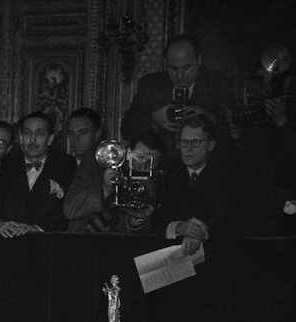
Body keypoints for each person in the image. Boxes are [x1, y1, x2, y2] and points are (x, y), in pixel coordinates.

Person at [120, 34, 230, 146]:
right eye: (173, 68)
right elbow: (126, 129)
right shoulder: (151, 85)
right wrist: (153, 118)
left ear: (199, 60)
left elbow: (234, 132)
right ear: (166, 63)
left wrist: (207, 118)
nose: (180, 75)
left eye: (186, 68)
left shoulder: (218, 84)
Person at [153, 115, 241, 255]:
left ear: (210, 145)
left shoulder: (226, 176)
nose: (188, 148)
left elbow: (226, 219)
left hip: (215, 256)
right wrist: (178, 227)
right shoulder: (168, 172)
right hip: (167, 257)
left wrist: (199, 231)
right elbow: (154, 220)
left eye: (195, 142)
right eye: (184, 142)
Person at [0, 111, 77, 237]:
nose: (32, 140)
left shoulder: (67, 167)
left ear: (50, 139)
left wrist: (37, 229)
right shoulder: (5, 166)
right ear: (20, 137)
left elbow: (69, 213)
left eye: (40, 134)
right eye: (27, 133)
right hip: (7, 247)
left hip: (49, 247)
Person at [64, 131, 166, 233]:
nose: (143, 166)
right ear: (128, 153)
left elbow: (135, 228)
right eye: (140, 158)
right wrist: (105, 191)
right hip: (81, 238)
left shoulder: (157, 182)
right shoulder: (97, 165)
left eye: (150, 162)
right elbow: (70, 209)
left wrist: (139, 218)